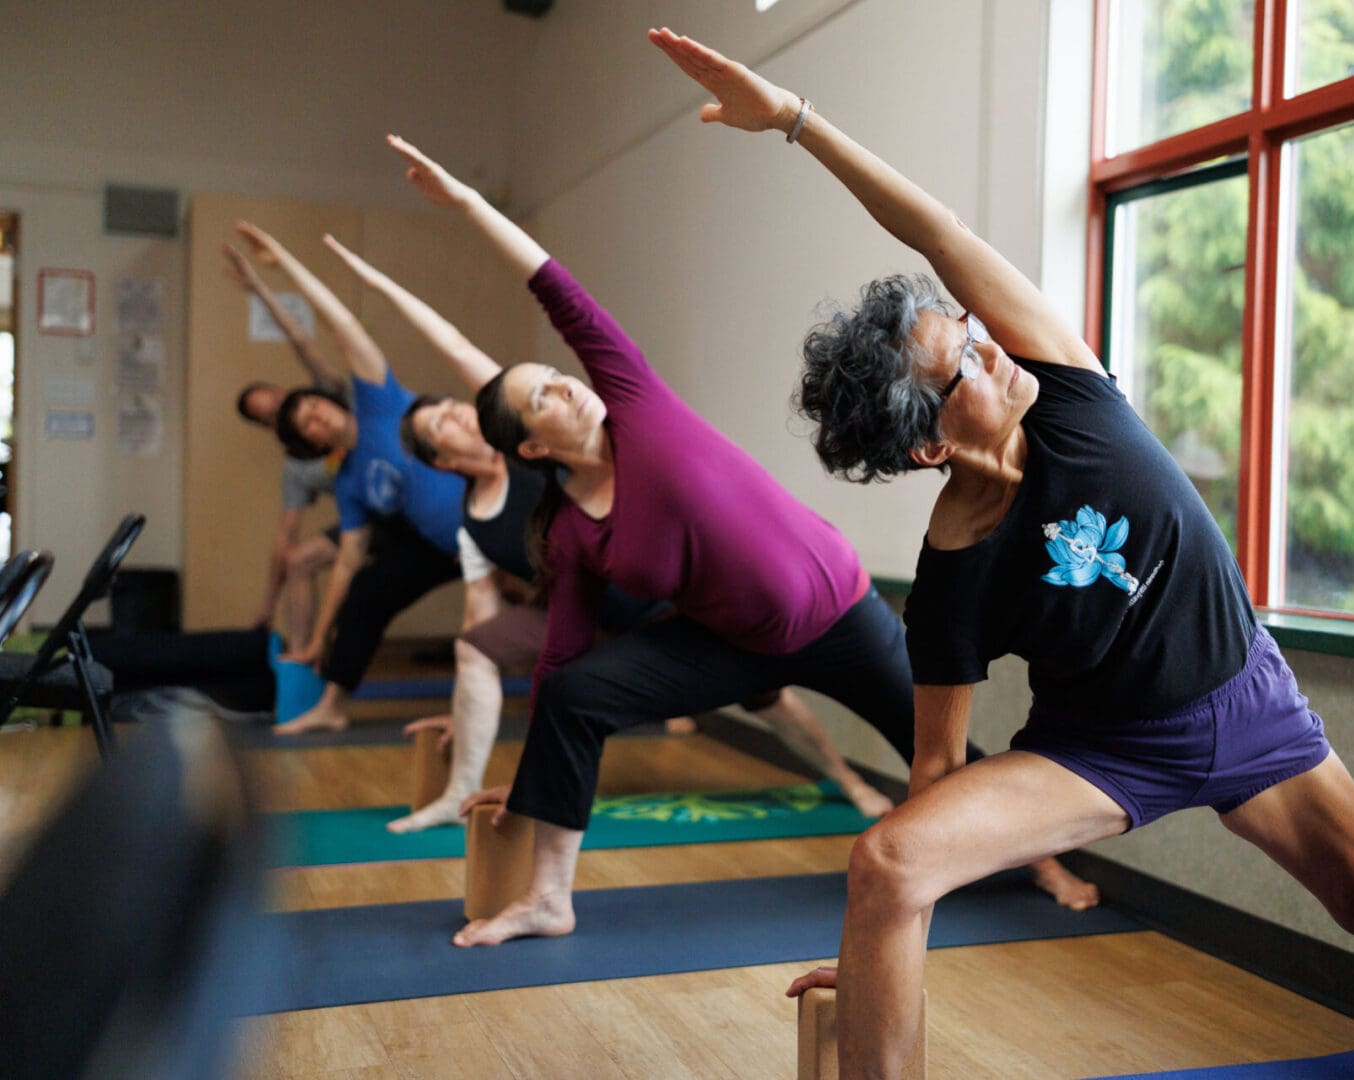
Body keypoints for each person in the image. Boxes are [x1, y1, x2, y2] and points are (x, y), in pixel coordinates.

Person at [648, 29, 1354, 1080]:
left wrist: (796, 120)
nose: (992, 342)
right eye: (967, 360)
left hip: (1245, 698)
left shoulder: (1066, 385)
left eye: (976, 330)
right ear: (931, 442)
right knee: (887, 859)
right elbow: (933, 775)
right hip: (1105, 750)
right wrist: (877, 935)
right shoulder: (951, 581)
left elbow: (934, 231)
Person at [382, 134, 1100, 947]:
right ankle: (550, 897)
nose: (564, 388)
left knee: (937, 746)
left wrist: (471, 203)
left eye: (554, 375)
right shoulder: (578, 534)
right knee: (576, 695)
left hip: (842, 612)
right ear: (532, 447)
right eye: (541, 398)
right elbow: (561, 660)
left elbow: (558, 291)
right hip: (734, 643)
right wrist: (527, 783)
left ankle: (1043, 864)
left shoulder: (638, 405)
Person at [321, 235, 894, 829]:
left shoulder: (539, 445)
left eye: (453, 407)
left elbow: (461, 346)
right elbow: (484, 607)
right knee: (485, 649)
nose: (458, 414)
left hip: (670, 604)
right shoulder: (490, 509)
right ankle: (461, 796)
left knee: (772, 700)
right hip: (594, 612)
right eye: (442, 424)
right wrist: (466, 713)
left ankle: (848, 779)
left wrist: (381, 285)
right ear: (442, 458)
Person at [232, 223, 466, 737]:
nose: (319, 418)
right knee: (365, 591)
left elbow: (338, 323)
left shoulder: (378, 401)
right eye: (308, 425)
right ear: (311, 445)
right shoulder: (348, 483)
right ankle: (332, 702)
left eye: (316, 407)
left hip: (490, 517)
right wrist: (317, 639)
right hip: (443, 547)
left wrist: (282, 264)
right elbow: (345, 563)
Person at [221, 244, 344, 651]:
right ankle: (298, 660)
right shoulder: (297, 467)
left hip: (408, 492)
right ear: (269, 427)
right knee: (299, 560)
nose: (316, 419)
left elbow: (300, 339)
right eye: (269, 413)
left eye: (276, 397)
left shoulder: (327, 395)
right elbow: (285, 537)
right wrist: (266, 607)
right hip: (368, 521)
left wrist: (258, 287)